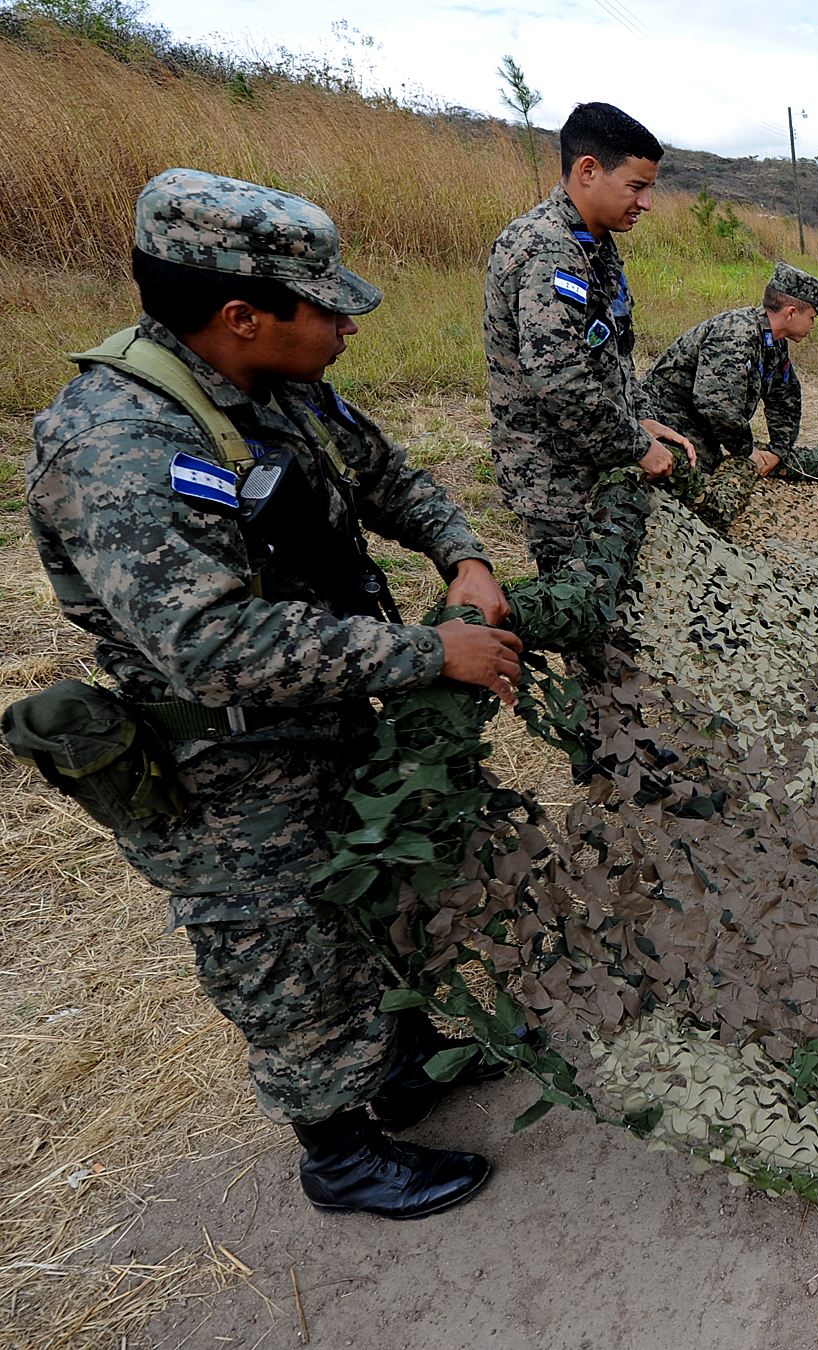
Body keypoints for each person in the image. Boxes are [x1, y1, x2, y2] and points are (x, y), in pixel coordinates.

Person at [18, 170, 525, 1220]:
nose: (345, 325)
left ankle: (397, 1063)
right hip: (227, 761)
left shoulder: (269, 383)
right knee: (280, 943)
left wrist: (461, 552)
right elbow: (210, 646)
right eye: (324, 306)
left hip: (323, 716)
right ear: (244, 316)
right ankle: (337, 1150)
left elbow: (380, 472)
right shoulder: (117, 442)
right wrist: (430, 654)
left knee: (366, 897)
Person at [485, 101, 695, 576]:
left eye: (649, 189)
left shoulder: (595, 245)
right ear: (588, 170)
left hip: (596, 460)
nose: (645, 203)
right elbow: (560, 381)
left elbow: (616, 351)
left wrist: (641, 417)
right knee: (589, 618)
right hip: (556, 478)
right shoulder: (548, 248)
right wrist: (638, 446)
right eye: (636, 187)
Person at [642, 263, 818, 528]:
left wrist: (778, 450)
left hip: (700, 420)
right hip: (667, 416)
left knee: (718, 471)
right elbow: (716, 406)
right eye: (812, 317)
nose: (813, 325)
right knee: (697, 486)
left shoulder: (773, 343)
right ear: (790, 313)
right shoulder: (736, 334)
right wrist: (746, 450)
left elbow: (785, 398)